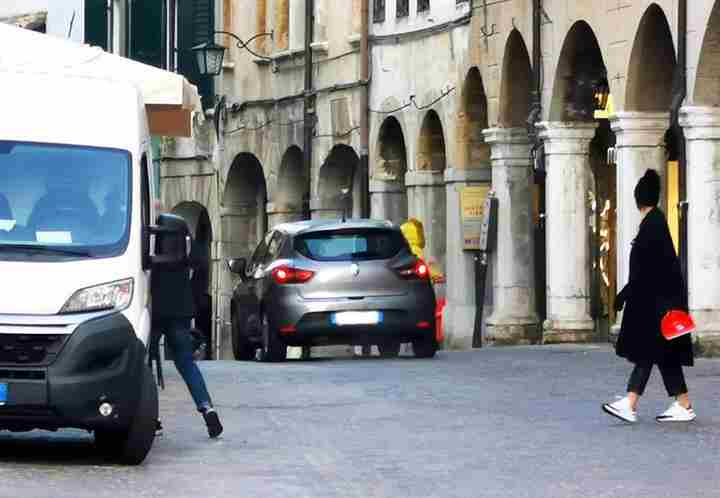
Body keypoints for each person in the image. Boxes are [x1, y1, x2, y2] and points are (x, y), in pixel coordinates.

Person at [602, 169, 695, 423]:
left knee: (648, 354)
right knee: (663, 357)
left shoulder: (652, 225)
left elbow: (647, 270)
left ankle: (630, 404)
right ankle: (683, 405)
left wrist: (624, 293)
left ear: (637, 199)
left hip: (656, 306)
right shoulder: (656, 223)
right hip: (659, 304)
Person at [151, 207, 223, 438]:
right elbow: (200, 267)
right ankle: (207, 408)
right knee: (186, 363)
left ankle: (152, 418)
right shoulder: (186, 243)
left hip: (154, 311)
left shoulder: (151, 240)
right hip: (180, 309)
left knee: (144, 364)